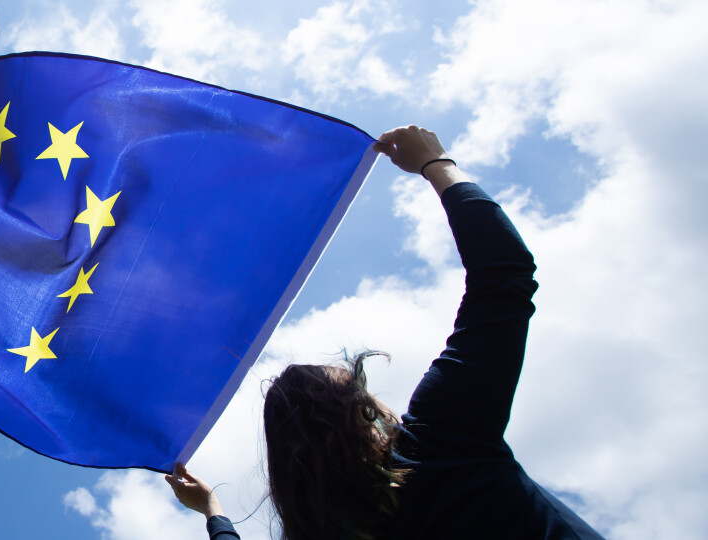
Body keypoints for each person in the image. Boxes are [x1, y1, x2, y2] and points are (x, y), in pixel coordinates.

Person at [165, 125, 605, 539]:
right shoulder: (440, 438)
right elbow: (503, 275)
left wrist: (214, 512)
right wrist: (437, 163)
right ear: (358, 411)